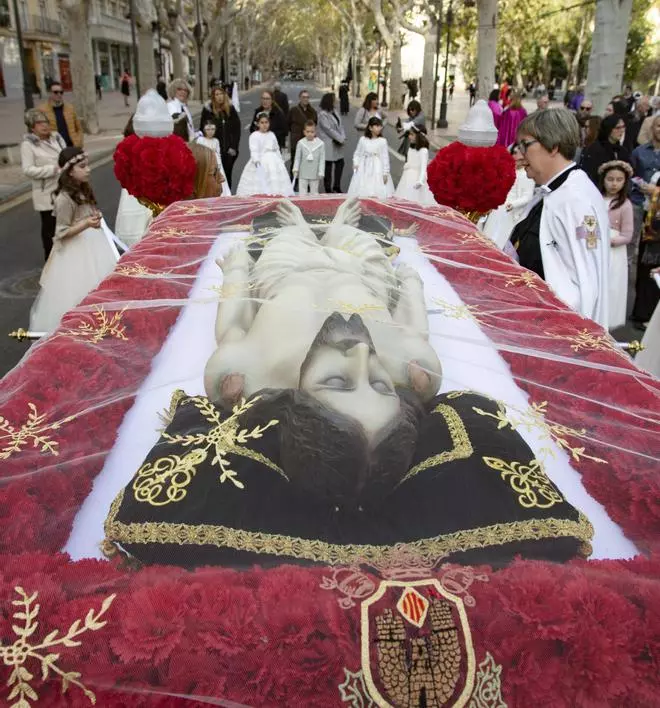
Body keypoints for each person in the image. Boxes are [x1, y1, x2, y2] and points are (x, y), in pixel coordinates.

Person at [510, 108, 610, 325]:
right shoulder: (552, 191)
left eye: (525, 145)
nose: (519, 154)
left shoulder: (577, 200)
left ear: (553, 146)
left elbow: (585, 282)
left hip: (550, 324)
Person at [29, 147, 118, 333]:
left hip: (94, 243)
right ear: (70, 171)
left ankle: (104, 324)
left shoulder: (83, 189)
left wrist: (93, 216)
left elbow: (86, 211)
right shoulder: (64, 198)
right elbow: (61, 232)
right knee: (80, 290)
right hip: (76, 250)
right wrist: (86, 223)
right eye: (82, 166)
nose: (88, 169)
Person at [20, 109, 66, 260]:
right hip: (46, 193)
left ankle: (66, 257)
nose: (44, 126)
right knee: (50, 230)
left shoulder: (57, 137)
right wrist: (51, 170)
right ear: (32, 127)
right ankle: (51, 261)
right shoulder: (28, 145)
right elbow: (28, 170)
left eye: (45, 122)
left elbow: (65, 155)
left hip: (64, 189)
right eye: (39, 123)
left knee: (66, 225)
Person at [598, 161, 634, 330]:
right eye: (610, 179)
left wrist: (610, 240)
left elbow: (627, 235)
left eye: (619, 180)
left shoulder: (625, 205)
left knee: (610, 285)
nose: (614, 184)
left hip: (613, 252)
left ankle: (606, 321)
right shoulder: (595, 198)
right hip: (595, 244)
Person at [482, 142, 535, 249]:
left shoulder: (526, 175)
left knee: (501, 234)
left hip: (510, 210)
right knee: (488, 230)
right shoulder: (508, 170)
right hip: (498, 205)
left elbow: (527, 196)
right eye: (514, 153)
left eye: (519, 156)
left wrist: (512, 204)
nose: (516, 158)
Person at [236, 112, 293, 197]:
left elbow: (276, 148)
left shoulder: (272, 135)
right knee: (261, 180)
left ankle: (275, 195)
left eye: (266, 122)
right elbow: (254, 150)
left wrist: (280, 160)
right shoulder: (254, 135)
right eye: (262, 123)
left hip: (273, 161)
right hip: (260, 160)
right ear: (257, 124)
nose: (264, 125)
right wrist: (256, 160)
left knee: (274, 180)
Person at [199, 84, 241, 188]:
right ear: (213, 97)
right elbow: (202, 128)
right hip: (213, 149)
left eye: (221, 93)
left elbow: (236, 129)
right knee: (213, 176)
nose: (219, 96)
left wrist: (233, 147)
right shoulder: (208, 110)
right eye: (216, 94)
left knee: (226, 175)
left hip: (228, 151)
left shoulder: (230, 109)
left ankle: (227, 197)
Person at [348, 117, 394, 199]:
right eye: (376, 126)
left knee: (376, 192)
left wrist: (385, 173)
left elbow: (385, 158)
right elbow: (357, 153)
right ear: (370, 127)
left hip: (377, 169)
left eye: (380, 126)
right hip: (364, 168)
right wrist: (356, 163)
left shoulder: (382, 141)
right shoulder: (363, 140)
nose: (379, 128)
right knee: (362, 192)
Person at [580, 114, 631, 185]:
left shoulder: (622, 150)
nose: (622, 130)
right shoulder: (595, 148)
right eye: (618, 127)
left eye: (623, 127)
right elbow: (590, 173)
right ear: (609, 129)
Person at [394, 127, 434, 206]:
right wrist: (407, 166)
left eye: (412, 134)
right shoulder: (411, 148)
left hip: (416, 177)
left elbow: (423, 169)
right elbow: (409, 161)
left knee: (416, 200)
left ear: (418, 136)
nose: (409, 136)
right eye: (409, 134)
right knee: (404, 198)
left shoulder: (423, 151)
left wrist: (420, 181)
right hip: (407, 176)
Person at [37, 82, 83, 148]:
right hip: (54, 148)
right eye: (56, 92)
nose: (59, 94)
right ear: (49, 93)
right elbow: (38, 131)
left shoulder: (70, 108)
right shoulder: (41, 110)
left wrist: (79, 142)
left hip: (72, 146)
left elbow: (79, 128)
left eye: (61, 92)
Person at [317, 92, 346, 193]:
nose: (336, 101)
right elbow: (328, 129)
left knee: (340, 163)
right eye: (334, 99)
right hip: (328, 143)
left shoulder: (335, 111)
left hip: (337, 143)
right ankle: (328, 188)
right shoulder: (322, 115)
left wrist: (343, 136)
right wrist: (340, 138)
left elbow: (340, 125)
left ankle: (337, 185)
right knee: (328, 167)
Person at [195, 121, 230, 196]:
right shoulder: (201, 140)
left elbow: (218, 154)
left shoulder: (216, 141)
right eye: (208, 129)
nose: (210, 132)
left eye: (212, 129)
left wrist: (219, 166)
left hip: (216, 163)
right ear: (204, 130)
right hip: (206, 163)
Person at [288, 89, 318, 179]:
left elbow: (315, 124)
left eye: (307, 97)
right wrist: (295, 132)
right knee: (295, 163)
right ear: (300, 98)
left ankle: (307, 182)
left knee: (308, 164)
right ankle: (294, 182)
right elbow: (288, 124)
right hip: (296, 141)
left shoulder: (313, 111)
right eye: (303, 97)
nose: (305, 99)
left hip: (309, 142)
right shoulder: (293, 110)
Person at [292, 120, 325, 194]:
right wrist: (295, 168)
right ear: (304, 132)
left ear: (315, 132)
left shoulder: (320, 144)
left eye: (312, 132)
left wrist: (321, 171)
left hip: (315, 173)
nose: (310, 134)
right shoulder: (300, 143)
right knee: (302, 192)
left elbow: (322, 159)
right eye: (308, 131)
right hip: (303, 172)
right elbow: (297, 158)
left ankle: (314, 204)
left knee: (314, 192)